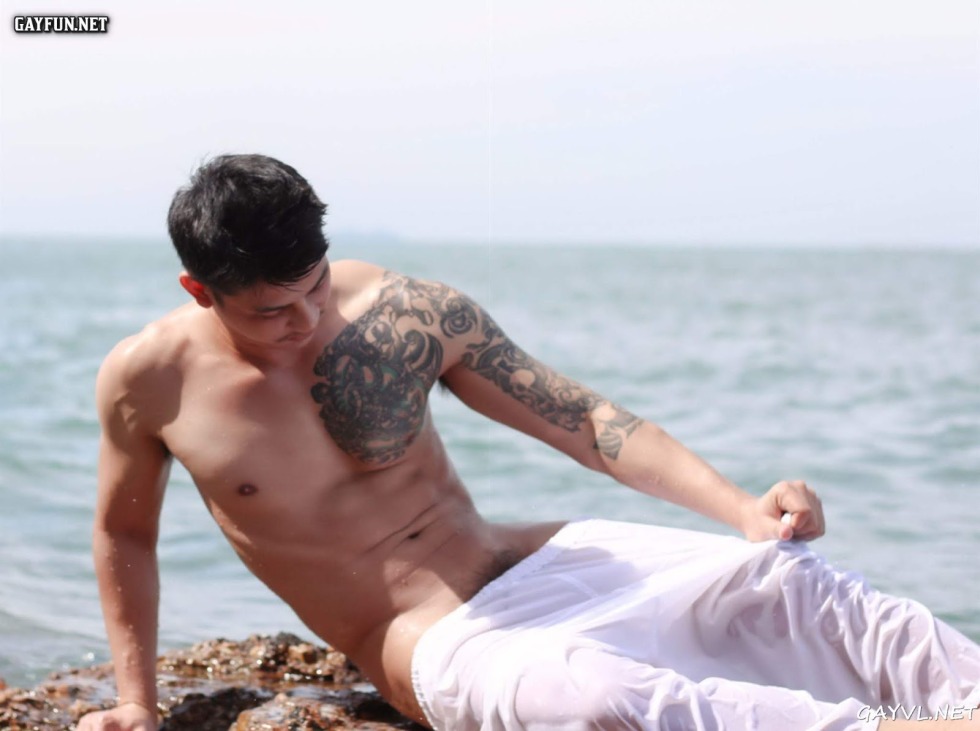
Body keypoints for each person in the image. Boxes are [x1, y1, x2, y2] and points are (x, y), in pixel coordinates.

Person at [79, 154, 979, 731]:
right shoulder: (149, 382)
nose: (306, 318)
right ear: (200, 290)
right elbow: (125, 533)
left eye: (314, 285)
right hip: (427, 635)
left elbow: (584, 422)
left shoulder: (403, 310)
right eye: (272, 309)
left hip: (536, 559)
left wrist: (743, 508)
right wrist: (135, 700)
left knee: (791, 580)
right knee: (600, 702)